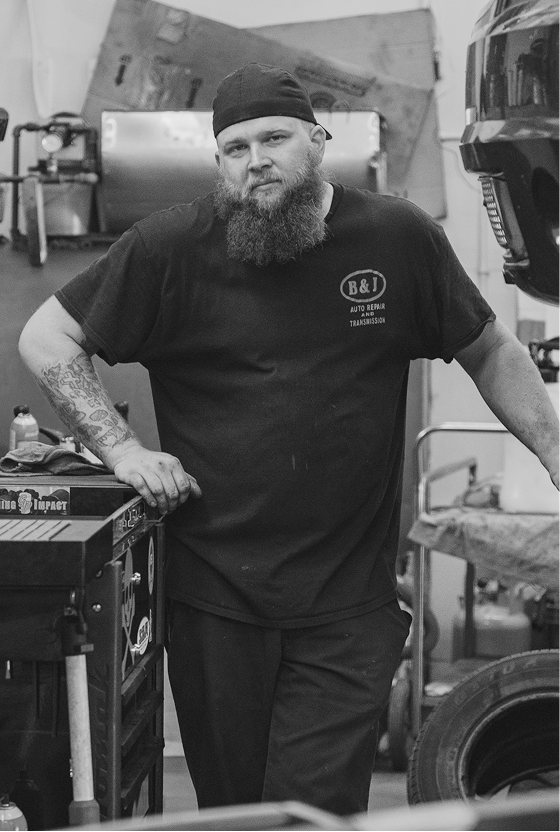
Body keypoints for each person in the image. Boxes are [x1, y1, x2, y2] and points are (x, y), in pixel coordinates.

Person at [18, 62, 560, 816]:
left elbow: (489, 348)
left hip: (348, 603)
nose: (255, 160)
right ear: (218, 164)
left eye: (273, 138)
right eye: (235, 148)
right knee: (234, 808)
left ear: (316, 138)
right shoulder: (170, 249)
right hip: (215, 602)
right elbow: (46, 336)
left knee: (312, 808)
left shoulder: (398, 237)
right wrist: (123, 449)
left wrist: (552, 448)